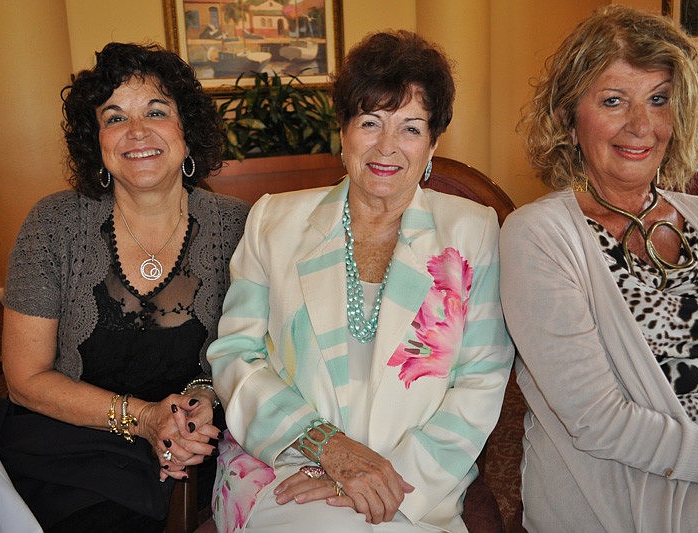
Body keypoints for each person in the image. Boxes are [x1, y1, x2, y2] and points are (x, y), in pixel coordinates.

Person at [207, 30, 513, 532]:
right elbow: (236, 354)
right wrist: (325, 446)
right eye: (370, 123)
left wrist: (385, 476)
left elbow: (481, 379)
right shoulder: (274, 222)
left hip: (412, 484)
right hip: (287, 467)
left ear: (434, 142)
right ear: (343, 131)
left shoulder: (472, 231)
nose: (387, 147)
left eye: (411, 128)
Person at [500, 5, 698, 531]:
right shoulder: (539, 236)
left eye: (658, 99)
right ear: (568, 118)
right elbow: (598, 422)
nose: (641, 126)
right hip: (626, 496)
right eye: (612, 101)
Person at [0, 42, 249, 531]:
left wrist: (200, 405)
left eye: (157, 111)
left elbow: (252, 353)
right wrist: (144, 418)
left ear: (187, 132)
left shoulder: (237, 227)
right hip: (67, 437)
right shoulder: (55, 223)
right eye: (115, 117)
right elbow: (24, 378)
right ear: (97, 141)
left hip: (190, 441)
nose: (137, 131)